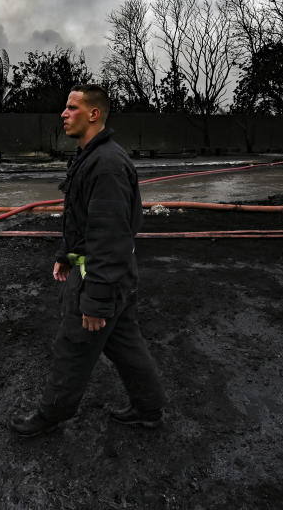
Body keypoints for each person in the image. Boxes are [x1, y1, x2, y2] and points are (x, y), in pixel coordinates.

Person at [9, 84, 166, 437]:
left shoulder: (106, 164)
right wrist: (66, 255)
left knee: (72, 348)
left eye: (72, 108)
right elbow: (83, 220)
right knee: (126, 344)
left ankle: (50, 415)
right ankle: (149, 408)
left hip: (101, 278)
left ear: (94, 114)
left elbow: (110, 237)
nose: (63, 114)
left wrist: (94, 300)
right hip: (111, 275)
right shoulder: (92, 157)